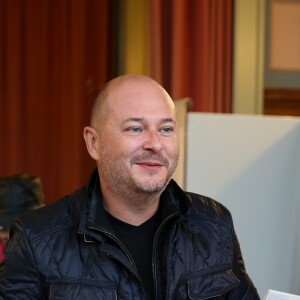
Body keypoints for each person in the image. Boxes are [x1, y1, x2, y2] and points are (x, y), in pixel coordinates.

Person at [0, 75, 260, 299]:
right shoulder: (36, 239)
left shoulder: (213, 224)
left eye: (166, 129)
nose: (155, 144)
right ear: (94, 143)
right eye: (135, 128)